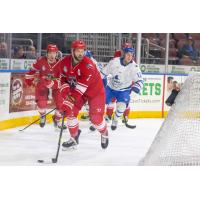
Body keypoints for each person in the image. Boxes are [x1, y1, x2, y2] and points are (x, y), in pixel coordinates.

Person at [58, 40, 109, 149]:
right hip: (79, 93)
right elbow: (62, 77)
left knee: (95, 119)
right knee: (70, 112)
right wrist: (65, 91)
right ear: (72, 51)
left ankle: (104, 132)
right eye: (78, 51)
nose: (81, 53)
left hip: (95, 92)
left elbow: (81, 88)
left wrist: (69, 101)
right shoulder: (64, 62)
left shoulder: (88, 65)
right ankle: (74, 137)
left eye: (82, 51)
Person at [101, 42, 144, 130]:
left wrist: (136, 89)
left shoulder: (134, 67)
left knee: (122, 106)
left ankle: (115, 119)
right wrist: (97, 83)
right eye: (128, 54)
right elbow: (103, 73)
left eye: (131, 55)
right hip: (111, 88)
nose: (129, 57)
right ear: (123, 54)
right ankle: (97, 120)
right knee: (99, 102)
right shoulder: (114, 62)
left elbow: (139, 80)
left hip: (124, 90)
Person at [25, 44, 65, 129]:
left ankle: (57, 120)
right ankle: (43, 115)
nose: (52, 55)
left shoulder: (61, 63)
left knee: (61, 105)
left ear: (57, 54)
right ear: (46, 53)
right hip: (42, 83)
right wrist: (30, 81)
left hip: (55, 84)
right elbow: (31, 70)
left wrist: (54, 83)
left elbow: (63, 79)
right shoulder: (40, 61)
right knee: (41, 104)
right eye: (50, 53)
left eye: (54, 53)